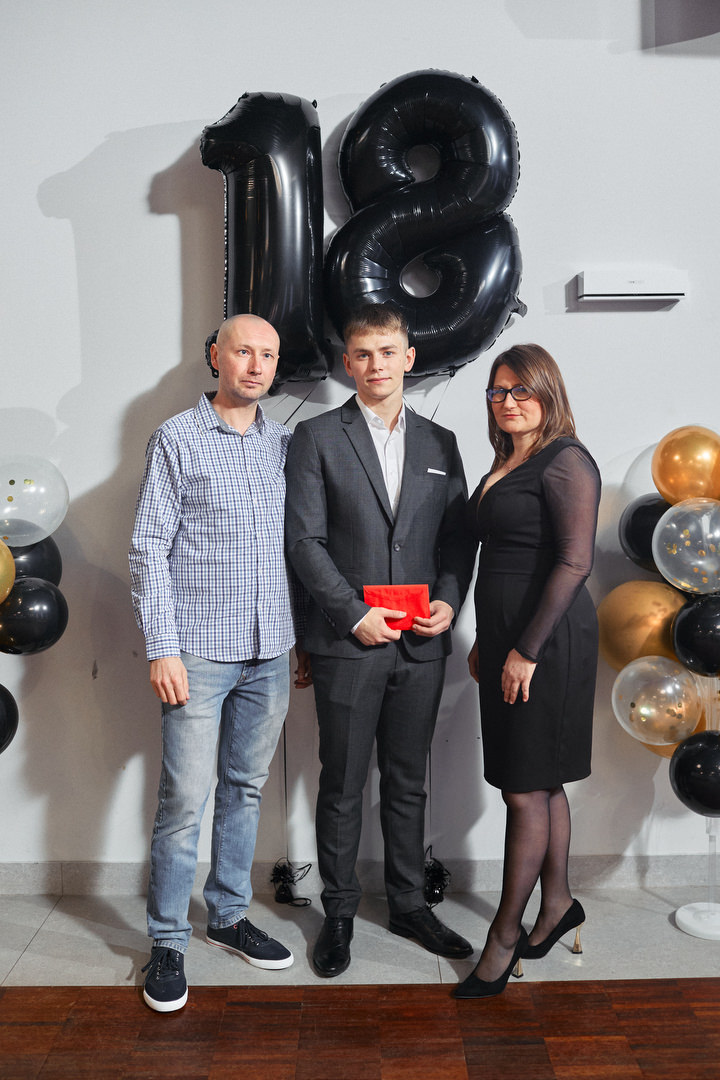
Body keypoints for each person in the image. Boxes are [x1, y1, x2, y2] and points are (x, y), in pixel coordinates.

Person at [285, 303, 477, 977]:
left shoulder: (441, 443)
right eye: (363, 354)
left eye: (387, 352)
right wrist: (349, 613)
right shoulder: (315, 438)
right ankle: (338, 913)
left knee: (407, 780)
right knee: (341, 782)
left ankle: (408, 904)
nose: (376, 365)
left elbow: (456, 539)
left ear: (409, 358)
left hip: (420, 643)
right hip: (348, 643)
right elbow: (303, 542)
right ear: (348, 363)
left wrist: (449, 599)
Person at [129, 314, 311, 1013]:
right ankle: (167, 941)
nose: (256, 365)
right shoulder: (176, 438)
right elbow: (149, 547)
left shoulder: (285, 446)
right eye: (243, 351)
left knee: (245, 789)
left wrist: (297, 641)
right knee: (183, 802)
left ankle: (229, 916)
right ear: (216, 355)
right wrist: (161, 646)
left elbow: (298, 550)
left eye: (268, 354)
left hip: (271, 652)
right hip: (197, 654)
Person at [454, 343, 601, 1000]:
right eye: (497, 390)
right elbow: (500, 561)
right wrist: (491, 642)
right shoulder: (507, 461)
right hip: (509, 638)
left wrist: (526, 650)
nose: (508, 401)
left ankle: (505, 935)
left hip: (549, 642)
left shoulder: (565, 459)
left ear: (548, 393)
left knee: (523, 791)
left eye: (522, 389)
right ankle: (558, 902)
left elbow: (574, 562)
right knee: (539, 782)